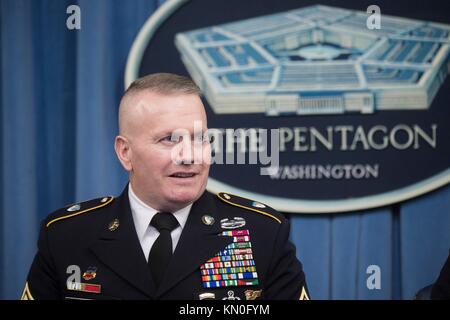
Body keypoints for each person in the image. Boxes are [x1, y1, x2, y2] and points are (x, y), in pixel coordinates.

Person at [21, 73, 309, 300]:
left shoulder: (263, 232)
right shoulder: (66, 235)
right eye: (169, 139)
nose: (189, 155)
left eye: (199, 138)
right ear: (125, 153)